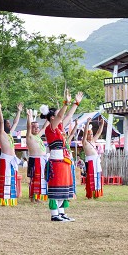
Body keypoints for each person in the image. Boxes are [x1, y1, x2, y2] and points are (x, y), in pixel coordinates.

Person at [44, 89, 83, 222]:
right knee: (57, 185)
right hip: (56, 160)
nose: (60, 116)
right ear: (52, 118)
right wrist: (66, 103)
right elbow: (61, 116)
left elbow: (68, 116)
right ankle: (54, 214)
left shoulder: (59, 128)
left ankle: (61, 213)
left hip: (64, 160)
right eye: (57, 114)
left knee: (64, 185)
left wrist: (76, 104)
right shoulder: (50, 128)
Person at [0, 99, 23, 206]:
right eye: (7, 124)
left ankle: (11, 198)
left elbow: (16, 122)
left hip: (12, 159)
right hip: (6, 159)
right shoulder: (2, 133)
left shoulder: (10, 134)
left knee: (12, 178)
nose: (9, 125)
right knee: (6, 179)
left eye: (9, 124)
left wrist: (19, 111)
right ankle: (4, 199)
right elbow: (1, 121)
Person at [83, 120, 103, 199]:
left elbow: (98, 133)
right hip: (90, 161)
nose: (91, 136)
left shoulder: (93, 141)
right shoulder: (85, 142)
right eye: (89, 134)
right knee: (91, 178)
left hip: (96, 161)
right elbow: (84, 134)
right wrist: (87, 123)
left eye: (91, 134)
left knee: (97, 176)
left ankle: (97, 193)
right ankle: (90, 194)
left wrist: (102, 124)